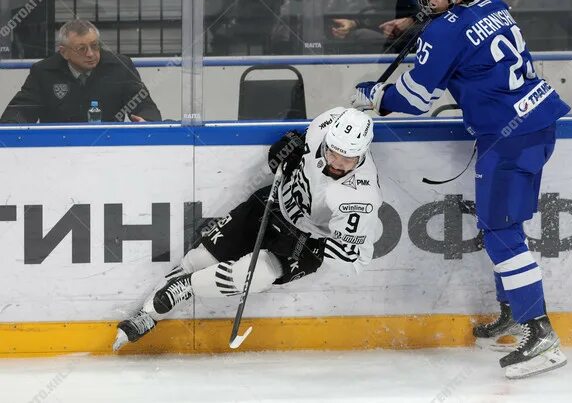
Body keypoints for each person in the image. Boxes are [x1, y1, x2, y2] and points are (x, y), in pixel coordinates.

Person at [352, 0, 570, 378]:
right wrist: (424, 27)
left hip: (509, 138)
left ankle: (540, 333)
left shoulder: (442, 33)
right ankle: (512, 312)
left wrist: (376, 96)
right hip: (537, 123)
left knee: (501, 230)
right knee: (507, 226)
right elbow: (463, 32)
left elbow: (415, 99)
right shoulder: (493, 3)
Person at [113, 107, 382, 350]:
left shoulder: (359, 199)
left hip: (305, 240)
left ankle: (189, 287)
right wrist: (288, 150)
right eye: (332, 152)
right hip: (273, 203)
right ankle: (147, 315)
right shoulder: (325, 123)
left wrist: (315, 247)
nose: (336, 163)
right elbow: (298, 144)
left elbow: (354, 259)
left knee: (258, 275)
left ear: (363, 152)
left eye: (347, 159)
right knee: (197, 260)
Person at [0, 19, 161, 123]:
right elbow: (21, 109)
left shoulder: (120, 66)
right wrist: (12, 125)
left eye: (95, 46)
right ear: (64, 52)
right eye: (81, 49)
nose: (91, 54)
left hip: (109, 146)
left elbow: (145, 106)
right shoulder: (43, 71)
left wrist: (147, 121)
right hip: (56, 150)